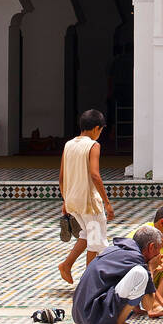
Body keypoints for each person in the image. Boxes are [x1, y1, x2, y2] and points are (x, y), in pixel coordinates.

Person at [71, 225, 163, 324]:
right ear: (151, 247)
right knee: (140, 273)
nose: (159, 254)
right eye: (159, 249)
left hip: (81, 315)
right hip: (93, 316)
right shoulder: (136, 259)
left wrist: (156, 271)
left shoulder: (121, 250)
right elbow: (148, 304)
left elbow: (140, 286)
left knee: (141, 274)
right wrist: (151, 268)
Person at [58, 109, 114, 285]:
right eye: (101, 130)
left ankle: (66, 265)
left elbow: (61, 177)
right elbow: (95, 175)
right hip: (89, 203)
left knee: (88, 235)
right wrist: (107, 202)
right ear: (97, 128)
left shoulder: (68, 145)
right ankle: (89, 283)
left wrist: (65, 200)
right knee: (96, 241)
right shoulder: (93, 145)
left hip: (73, 201)